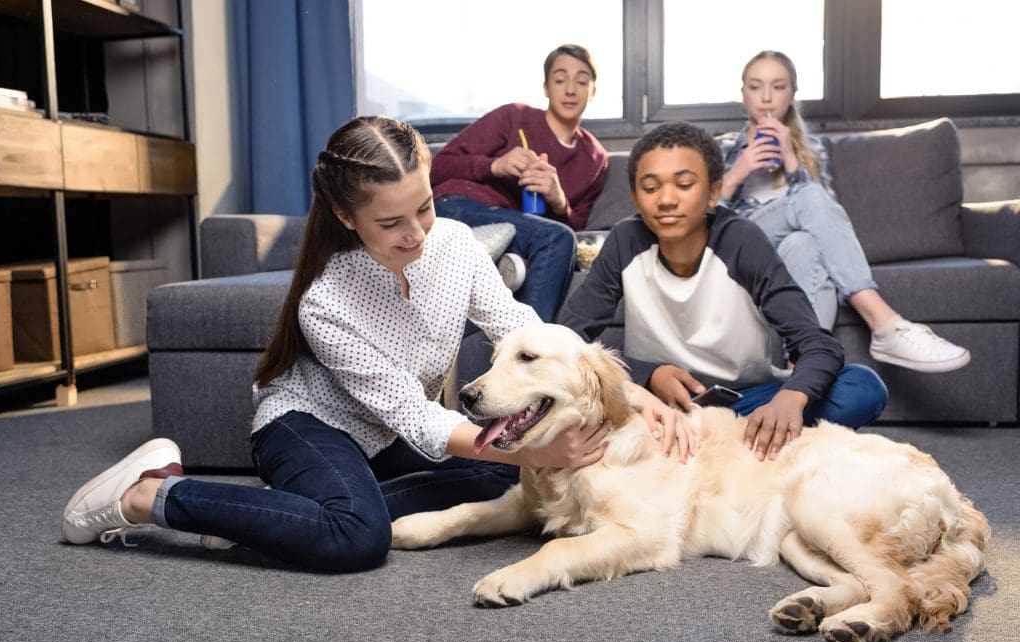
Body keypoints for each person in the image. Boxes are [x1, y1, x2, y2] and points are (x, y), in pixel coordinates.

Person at [61, 116, 681, 572]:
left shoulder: (458, 245)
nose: (415, 235)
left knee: (505, 486)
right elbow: (412, 414)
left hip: (388, 441)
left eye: (426, 208)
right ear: (345, 216)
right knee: (357, 537)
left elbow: (518, 327)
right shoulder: (324, 303)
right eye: (390, 223)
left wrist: (623, 389)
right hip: (308, 426)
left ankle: (281, 517)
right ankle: (150, 493)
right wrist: (533, 454)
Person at [558, 121, 889, 462]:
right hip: (655, 405)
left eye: (684, 184)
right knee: (580, 400)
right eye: (651, 187)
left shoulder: (741, 240)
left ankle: (705, 448)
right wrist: (647, 374)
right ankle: (739, 453)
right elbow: (567, 340)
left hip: (743, 404)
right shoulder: (624, 242)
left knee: (862, 386)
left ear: (713, 193)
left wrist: (790, 398)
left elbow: (817, 344)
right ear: (636, 199)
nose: (667, 199)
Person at [716, 50, 970, 373]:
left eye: (778, 87)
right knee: (808, 197)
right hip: (745, 244)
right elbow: (706, 222)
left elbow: (828, 215)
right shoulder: (722, 148)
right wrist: (740, 170)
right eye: (756, 86)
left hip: (788, 255)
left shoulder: (813, 149)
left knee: (803, 245)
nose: (766, 97)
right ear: (743, 93)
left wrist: (793, 160)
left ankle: (801, 371)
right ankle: (884, 323)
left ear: (792, 93)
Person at [430, 43, 609, 322]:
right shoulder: (514, 117)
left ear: (593, 90)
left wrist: (559, 200)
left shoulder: (595, 157)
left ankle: (496, 263)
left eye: (582, 81)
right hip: (458, 207)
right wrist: (494, 165)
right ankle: (533, 346)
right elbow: (438, 167)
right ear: (546, 88)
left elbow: (578, 230)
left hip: (520, 227)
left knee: (557, 238)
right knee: (553, 238)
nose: (571, 89)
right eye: (560, 79)